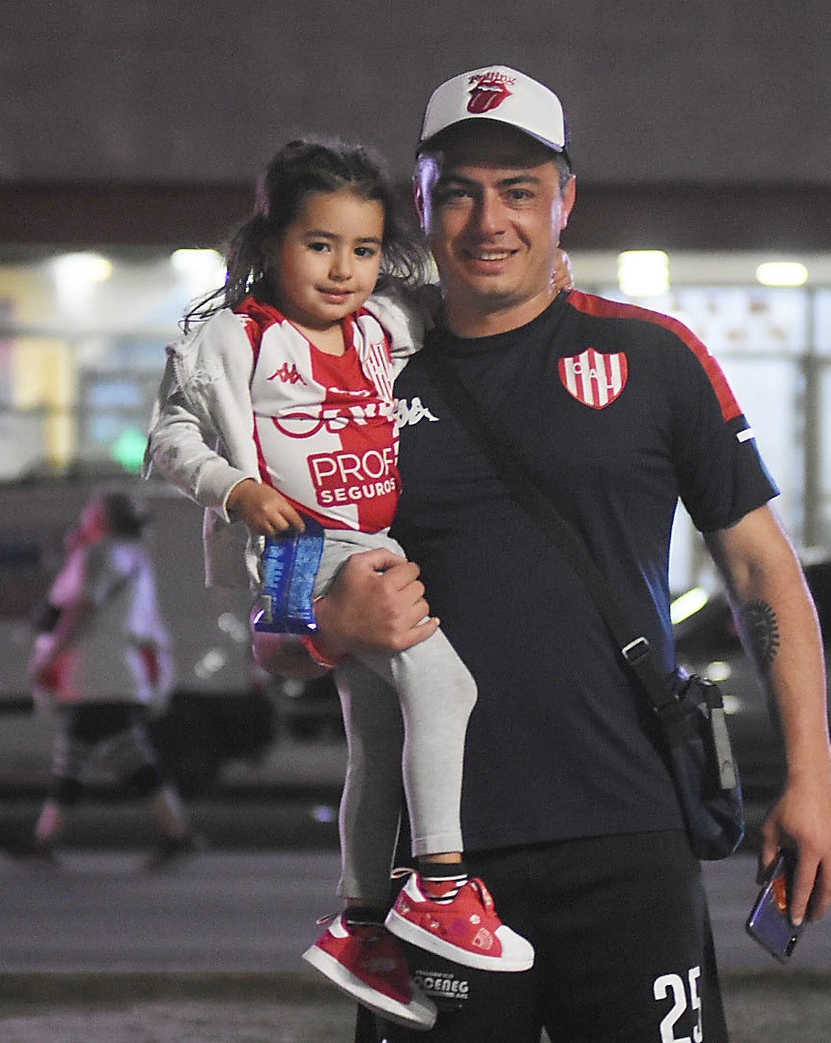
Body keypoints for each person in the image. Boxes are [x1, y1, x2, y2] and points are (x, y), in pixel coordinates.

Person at [258, 65, 831, 1042]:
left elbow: (761, 571)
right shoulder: (344, 381)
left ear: (564, 201)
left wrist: (810, 774)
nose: (488, 219)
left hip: (630, 836)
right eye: (458, 190)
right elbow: (268, 630)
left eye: (519, 190)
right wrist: (323, 626)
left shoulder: (654, 358)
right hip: (439, 869)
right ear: (418, 203)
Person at [145, 138, 531, 1031]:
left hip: (376, 540)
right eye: (319, 244)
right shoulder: (231, 339)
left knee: (378, 743)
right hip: (321, 556)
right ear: (270, 238)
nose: (342, 267)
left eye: (361, 248)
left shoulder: (386, 326)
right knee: (450, 683)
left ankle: (363, 925)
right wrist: (237, 489)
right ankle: (438, 885)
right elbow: (168, 440)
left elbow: (474, 305)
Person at [20, 489, 200, 870]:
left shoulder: (98, 555)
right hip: (117, 673)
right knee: (80, 760)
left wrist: (49, 658)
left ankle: (179, 835)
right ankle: (44, 840)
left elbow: (80, 610)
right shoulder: (135, 557)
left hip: (95, 675)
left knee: (124, 761)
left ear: (101, 519)